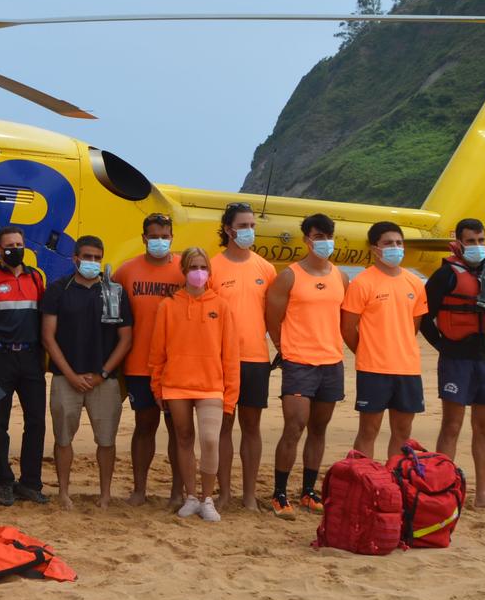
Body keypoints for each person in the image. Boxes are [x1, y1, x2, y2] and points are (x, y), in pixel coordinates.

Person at [147, 247, 240, 522]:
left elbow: (230, 354)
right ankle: (190, 496)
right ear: (184, 271)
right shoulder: (168, 306)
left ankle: (207, 498)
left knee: (210, 440)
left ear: (209, 271)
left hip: (211, 385)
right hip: (176, 384)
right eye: (193, 267)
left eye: (203, 267)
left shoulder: (221, 306)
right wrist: (157, 386)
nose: (198, 273)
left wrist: (230, 394)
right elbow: (157, 352)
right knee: (183, 438)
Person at [39, 236, 133, 509]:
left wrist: (103, 373)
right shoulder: (58, 290)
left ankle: (105, 494)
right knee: (63, 438)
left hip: (104, 380)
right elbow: (48, 337)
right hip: (65, 378)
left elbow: (126, 338)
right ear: (75, 258)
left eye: (97, 257)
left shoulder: (114, 291)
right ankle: (64, 493)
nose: (92, 262)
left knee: (106, 440)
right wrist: (69, 375)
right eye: (87, 257)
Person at [425, 218, 485, 509]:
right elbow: (424, 316)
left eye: (480, 240)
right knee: (451, 426)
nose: (477, 246)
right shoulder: (446, 274)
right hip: (457, 360)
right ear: (458, 242)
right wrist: (444, 345)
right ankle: (441, 491)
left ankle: (482, 495)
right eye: (471, 241)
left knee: (484, 427)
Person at [264, 213, 347, 516]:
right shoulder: (290, 275)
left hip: (331, 362)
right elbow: (272, 318)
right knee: (294, 425)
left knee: (319, 428)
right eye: (317, 236)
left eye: (327, 236)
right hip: (299, 362)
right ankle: (279, 493)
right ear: (306, 240)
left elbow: (342, 317)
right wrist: (282, 349)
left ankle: (309, 491)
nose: (323, 242)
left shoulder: (341, 276)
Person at [0, 225, 48, 507]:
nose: (15, 249)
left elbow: (44, 321)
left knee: (36, 422)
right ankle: (3, 481)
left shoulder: (36, 278)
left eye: (19, 244)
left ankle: (30, 483)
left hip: (30, 364)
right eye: (9, 245)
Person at [209, 202, 277, 512]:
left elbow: (274, 316)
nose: (249, 231)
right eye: (243, 225)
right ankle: (223, 493)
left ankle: (249, 495)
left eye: (252, 225)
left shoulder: (266, 268)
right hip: (221, 359)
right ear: (228, 229)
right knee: (223, 427)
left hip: (256, 358)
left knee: (252, 427)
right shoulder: (212, 267)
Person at [113, 213, 184, 508]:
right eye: (154, 236)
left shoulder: (184, 269)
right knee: (145, 426)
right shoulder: (126, 272)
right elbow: (110, 318)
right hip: (139, 364)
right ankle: (139, 489)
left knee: (179, 429)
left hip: (178, 365)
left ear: (172, 237)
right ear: (144, 238)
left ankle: (178, 492)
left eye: (165, 235)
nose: (160, 241)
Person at [344, 222, 429, 458]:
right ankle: (364, 481)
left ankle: (395, 481)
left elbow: (413, 325)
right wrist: (366, 351)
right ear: (375, 248)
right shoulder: (362, 282)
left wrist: (399, 347)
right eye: (388, 243)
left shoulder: (414, 283)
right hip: (373, 368)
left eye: (399, 243)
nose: (395, 247)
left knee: (402, 431)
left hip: (408, 368)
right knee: (368, 430)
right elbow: (348, 328)